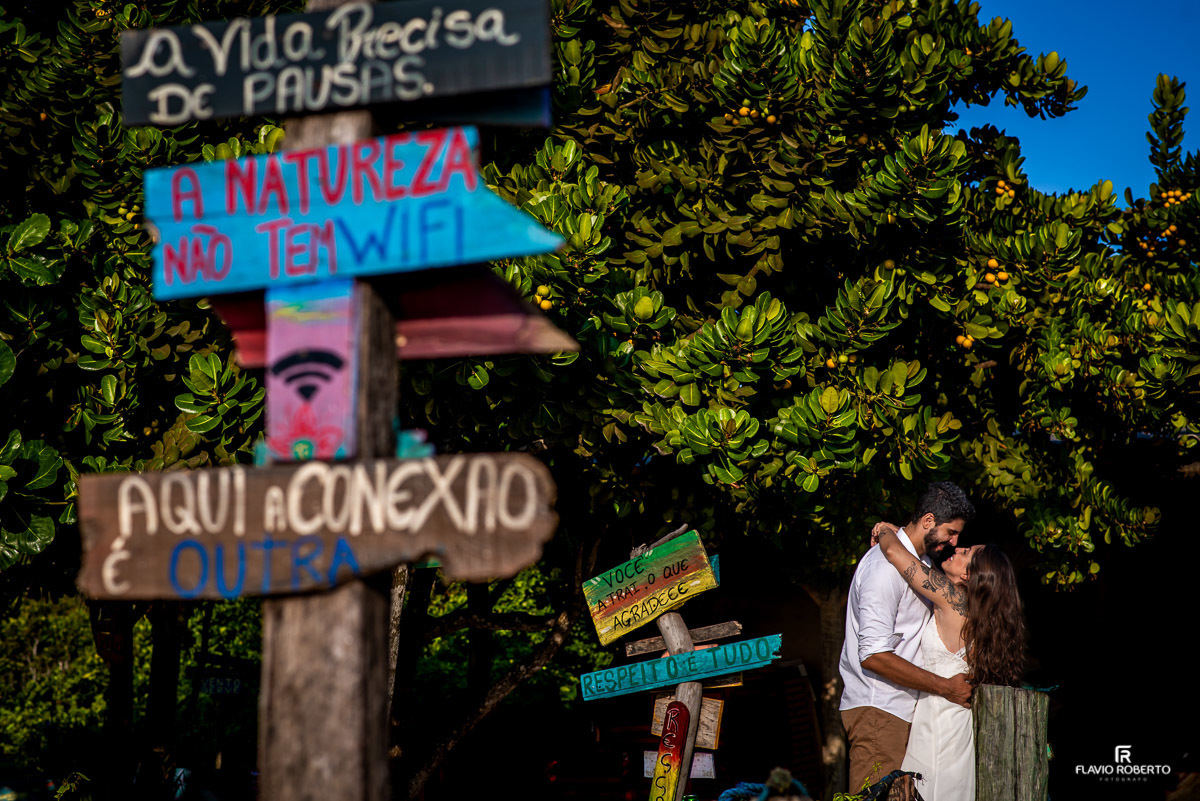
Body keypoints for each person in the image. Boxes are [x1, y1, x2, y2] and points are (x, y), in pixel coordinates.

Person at [873, 523, 1027, 801]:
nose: (956, 549)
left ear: (969, 574)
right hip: (954, 725)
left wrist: (884, 530)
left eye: (965, 552)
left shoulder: (953, 598)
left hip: (938, 727)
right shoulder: (981, 615)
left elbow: (896, 553)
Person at [838, 483, 976, 793]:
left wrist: (888, 531)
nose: (955, 542)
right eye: (951, 532)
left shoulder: (920, 563)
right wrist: (945, 688)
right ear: (928, 521)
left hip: (903, 711)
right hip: (879, 710)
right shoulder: (883, 570)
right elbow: (873, 655)